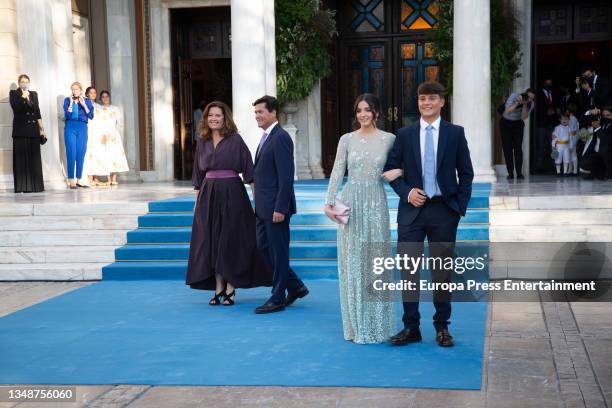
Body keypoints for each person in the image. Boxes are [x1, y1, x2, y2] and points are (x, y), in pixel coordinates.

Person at [384, 80, 474, 348]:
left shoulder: (455, 133)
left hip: (444, 211)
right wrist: (406, 192)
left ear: (442, 102)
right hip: (411, 211)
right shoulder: (404, 134)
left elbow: (466, 173)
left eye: (432, 98)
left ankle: (442, 327)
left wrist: (458, 207)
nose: (426, 103)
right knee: (409, 271)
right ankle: (411, 327)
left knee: (441, 273)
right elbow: (391, 169)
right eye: (422, 99)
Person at [323, 93, 400, 344]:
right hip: (351, 202)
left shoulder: (390, 139)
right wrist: (329, 202)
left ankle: (377, 324)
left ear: (377, 112)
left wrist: (401, 169)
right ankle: (356, 326)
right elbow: (337, 171)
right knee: (353, 263)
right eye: (359, 110)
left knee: (375, 260)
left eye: (368, 110)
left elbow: (407, 163)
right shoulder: (347, 139)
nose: (363, 114)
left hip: (377, 202)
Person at [186, 101, 272, 305]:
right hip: (209, 196)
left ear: (225, 118)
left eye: (218, 115)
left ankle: (231, 287)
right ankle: (218, 289)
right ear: (206, 119)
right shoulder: (203, 141)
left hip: (233, 194)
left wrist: (258, 202)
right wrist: (196, 204)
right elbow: (197, 177)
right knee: (213, 242)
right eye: (210, 116)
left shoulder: (235, 140)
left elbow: (250, 174)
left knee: (230, 241)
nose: (214, 119)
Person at [252, 95, 308, 314]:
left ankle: (277, 297)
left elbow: (286, 177)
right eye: (255, 112)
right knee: (265, 249)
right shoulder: (266, 137)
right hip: (263, 207)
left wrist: (280, 208)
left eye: (260, 112)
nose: (257, 116)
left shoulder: (281, 137)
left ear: (273, 112)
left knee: (278, 252)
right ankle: (295, 286)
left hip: (275, 208)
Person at [9, 74, 45, 193]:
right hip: (20, 130)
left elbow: (37, 112)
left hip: (33, 130)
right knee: (21, 160)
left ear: (29, 83)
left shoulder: (34, 94)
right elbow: (16, 108)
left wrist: (41, 129)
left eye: (26, 82)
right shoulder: (14, 94)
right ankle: (22, 187)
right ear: (19, 83)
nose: (24, 84)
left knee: (34, 159)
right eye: (22, 82)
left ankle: (36, 186)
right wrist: (23, 98)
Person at [63, 82, 94, 189]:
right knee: (71, 152)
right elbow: (67, 115)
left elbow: (91, 116)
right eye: (72, 89)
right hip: (70, 126)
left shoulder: (87, 101)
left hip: (82, 127)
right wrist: (71, 103)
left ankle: (79, 179)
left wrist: (84, 104)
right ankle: (71, 179)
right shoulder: (67, 100)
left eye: (76, 89)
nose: (74, 91)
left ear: (80, 90)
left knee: (81, 153)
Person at [500, 88, 535, 179]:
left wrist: (524, 105)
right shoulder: (514, 96)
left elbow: (523, 117)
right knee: (507, 149)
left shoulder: (530, 103)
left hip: (518, 124)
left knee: (518, 148)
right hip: (505, 123)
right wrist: (517, 103)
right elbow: (507, 111)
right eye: (528, 97)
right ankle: (510, 173)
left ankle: (519, 173)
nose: (530, 99)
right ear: (525, 94)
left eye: (532, 98)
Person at [97, 90, 129, 185]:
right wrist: (101, 135)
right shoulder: (98, 109)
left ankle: (114, 177)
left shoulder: (115, 109)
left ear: (109, 97)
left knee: (115, 155)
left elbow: (120, 123)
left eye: (107, 96)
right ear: (101, 99)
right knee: (105, 155)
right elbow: (98, 124)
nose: (105, 98)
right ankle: (108, 178)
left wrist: (118, 135)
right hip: (103, 135)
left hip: (114, 135)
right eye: (103, 97)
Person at [82, 86, 109, 186]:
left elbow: (103, 121)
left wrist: (104, 134)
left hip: (97, 133)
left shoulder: (99, 106)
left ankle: (96, 178)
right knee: (88, 154)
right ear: (87, 94)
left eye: (95, 92)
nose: (93, 94)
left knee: (97, 154)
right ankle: (89, 177)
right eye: (91, 92)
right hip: (87, 131)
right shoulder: (83, 104)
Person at [535, 79, 558, 173]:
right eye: (547, 83)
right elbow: (537, 108)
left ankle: (555, 165)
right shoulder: (539, 94)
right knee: (540, 146)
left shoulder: (554, 93)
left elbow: (557, 105)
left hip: (552, 124)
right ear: (543, 84)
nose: (549, 85)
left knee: (553, 145)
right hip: (541, 124)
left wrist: (555, 111)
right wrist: (545, 112)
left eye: (550, 83)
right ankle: (539, 166)